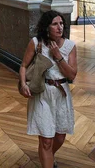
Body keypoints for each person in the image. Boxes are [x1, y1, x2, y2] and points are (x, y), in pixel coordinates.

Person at [19, 11, 77, 168]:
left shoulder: (70, 46)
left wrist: (58, 56)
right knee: (46, 140)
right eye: (55, 24)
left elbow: (72, 75)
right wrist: (24, 84)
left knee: (59, 137)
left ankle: (49, 156)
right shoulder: (36, 43)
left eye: (61, 23)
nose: (59, 27)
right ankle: (48, 161)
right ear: (46, 27)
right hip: (42, 93)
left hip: (61, 94)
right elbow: (24, 65)